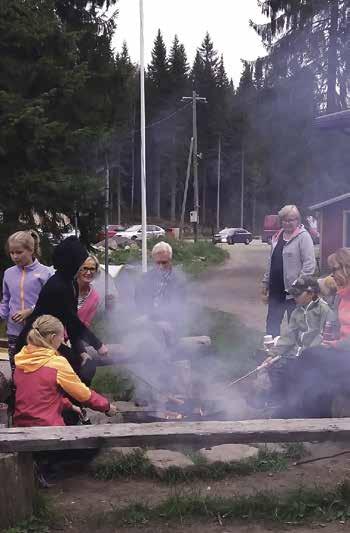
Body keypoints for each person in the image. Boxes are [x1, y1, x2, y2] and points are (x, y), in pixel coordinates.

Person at [16, 237, 108, 385]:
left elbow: (71, 321)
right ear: (72, 261)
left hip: (50, 339)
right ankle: (68, 405)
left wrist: (81, 351)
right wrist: (98, 345)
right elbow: (72, 321)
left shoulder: (71, 283)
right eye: (81, 261)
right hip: (35, 341)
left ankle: (73, 405)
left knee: (85, 366)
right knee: (68, 372)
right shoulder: (58, 286)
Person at [14, 315, 116, 427]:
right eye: (61, 337)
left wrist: (69, 405)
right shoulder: (56, 363)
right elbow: (83, 394)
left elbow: (38, 396)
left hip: (21, 425)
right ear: (53, 338)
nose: (62, 340)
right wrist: (107, 407)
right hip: (48, 430)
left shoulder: (21, 359)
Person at [261, 276, 331, 413]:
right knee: (276, 367)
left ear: (311, 293)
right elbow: (288, 337)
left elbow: (324, 337)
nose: (294, 297)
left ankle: (300, 405)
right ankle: (278, 402)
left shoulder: (324, 310)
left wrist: (308, 353)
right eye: (292, 293)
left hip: (314, 356)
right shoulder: (296, 312)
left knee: (300, 374)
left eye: (297, 294)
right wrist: (273, 354)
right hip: (296, 355)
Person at [297, 248, 350, 417]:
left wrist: (334, 345)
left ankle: (315, 419)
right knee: (306, 355)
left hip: (346, 352)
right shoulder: (342, 295)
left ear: (346, 268)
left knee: (313, 359)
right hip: (343, 352)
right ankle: (305, 413)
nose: (331, 275)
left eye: (334, 270)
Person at [0, 230, 52, 373]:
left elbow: (50, 302)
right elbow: (6, 300)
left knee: (38, 373)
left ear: (31, 250)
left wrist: (30, 311)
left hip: (38, 333)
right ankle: (16, 395)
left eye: (19, 252)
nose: (15, 257)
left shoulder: (46, 273)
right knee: (16, 372)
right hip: (14, 332)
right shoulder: (9, 273)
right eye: (12, 253)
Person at [262, 205, 316, 337]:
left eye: (291, 220)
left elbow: (309, 265)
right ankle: (272, 353)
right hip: (276, 290)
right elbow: (271, 261)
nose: (288, 223)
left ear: (297, 220)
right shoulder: (277, 236)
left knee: (295, 326)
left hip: (294, 293)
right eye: (285, 220)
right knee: (272, 323)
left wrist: (298, 287)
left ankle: (295, 354)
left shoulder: (304, 237)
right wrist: (265, 282)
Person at [77, 255, 101, 328]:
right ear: (78, 269)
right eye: (85, 268)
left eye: (92, 269)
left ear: (96, 271)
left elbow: (86, 324)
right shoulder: (66, 288)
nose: (88, 272)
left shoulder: (95, 297)